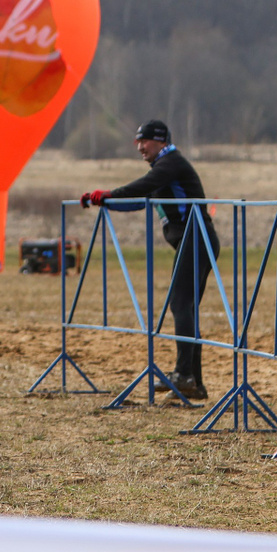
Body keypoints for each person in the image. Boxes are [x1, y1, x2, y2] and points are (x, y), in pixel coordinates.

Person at [80, 120, 218, 402]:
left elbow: (143, 186)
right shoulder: (163, 171)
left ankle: (185, 374)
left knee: (180, 304)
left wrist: (109, 193)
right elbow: (141, 198)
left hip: (197, 239)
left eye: (145, 142)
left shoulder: (171, 163)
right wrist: (102, 201)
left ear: (162, 141)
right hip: (195, 241)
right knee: (186, 307)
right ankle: (194, 383)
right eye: (138, 142)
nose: (140, 148)